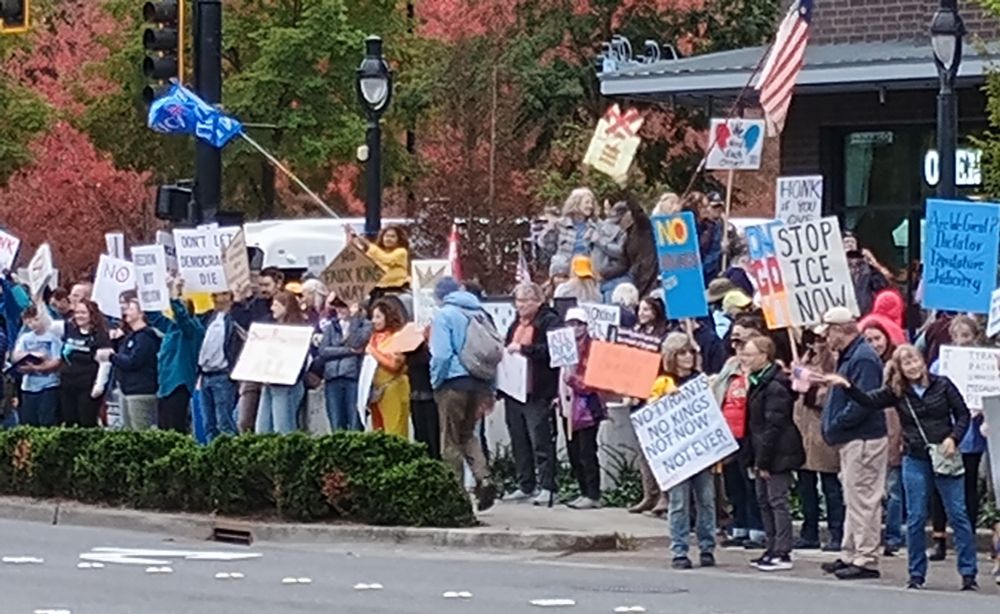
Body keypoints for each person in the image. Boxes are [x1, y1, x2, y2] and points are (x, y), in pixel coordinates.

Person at [826, 345, 978, 591]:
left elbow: (962, 415)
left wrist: (953, 438)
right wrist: (847, 386)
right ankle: (916, 574)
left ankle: (969, 573)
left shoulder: (943, 384)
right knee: (916, 516)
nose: (913, 367)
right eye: (907, 364)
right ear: (900, 369)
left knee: (958, 514)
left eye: (915, 361)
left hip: (944, 455)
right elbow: (868, 400)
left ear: (923, 361)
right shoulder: (897, 392)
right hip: (915, 456)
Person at [817, 306, 888, 580]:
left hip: (864, 438)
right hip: (854, 438)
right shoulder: (851, 356)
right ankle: (851, 551)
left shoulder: (863, 359)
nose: (826, 338)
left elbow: (864, 402)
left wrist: (836, 425)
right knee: (854, 496)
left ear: (839, 330)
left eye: (829, 332)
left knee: (864, 498)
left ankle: (866, 557)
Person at [428, 277, 498, 512]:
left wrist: (435, 382)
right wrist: (491, 389)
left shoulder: (444, 315)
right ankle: (484, 477)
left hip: (453, 383)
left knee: (449, 439)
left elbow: (441, 355)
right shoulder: (481, 313)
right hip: (478, 383)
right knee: (468, 434)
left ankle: (454, 498)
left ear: (440, 296)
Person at [740, 335, 804, 571]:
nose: (744, 359)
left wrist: (763, 460)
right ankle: (771, 545)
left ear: (764, 356)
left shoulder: (774, 385)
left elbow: (773, 425)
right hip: (761, 451)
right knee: (763, 501)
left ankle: (783, 550)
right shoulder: (758, 381)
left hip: (777, 452)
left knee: (777, 501)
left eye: (749, 354)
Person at [927, 314, 987, 562]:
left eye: (966, 336)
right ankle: (939, 538)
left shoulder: (985, 365)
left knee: (968, 487)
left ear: (975, 338)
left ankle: (967, 537)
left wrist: (982, 407)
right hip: (945, 432)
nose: (961, 341)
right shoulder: (940, 365)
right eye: (957, 336)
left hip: (972, 434)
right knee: (940, 485)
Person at [656, 332, 717, 570]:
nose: (688, 357)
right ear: (671, 356)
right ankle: (679, 550)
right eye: (682, 352)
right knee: (679, 502)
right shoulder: (661, 382)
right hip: (675, 454)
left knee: (706, 500)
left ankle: (707, 547)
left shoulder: (700, 379)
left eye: (690, 352)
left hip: (701, 451)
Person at [502, 283, 561, 507]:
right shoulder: (515, 324)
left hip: (538, 390)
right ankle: (525, 484)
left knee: (541, 440)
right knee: (519, 439)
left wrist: (525, 350)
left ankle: (548, 485)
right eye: (518, 301)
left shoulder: (550, 321)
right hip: (514, 391)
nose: (520, 305)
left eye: (526, 301)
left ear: (538, 301)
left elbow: (552, 351)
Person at [713, 318, 766, 549]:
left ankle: (757, 529)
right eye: (735, 342)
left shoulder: (760, 370)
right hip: (729, 433)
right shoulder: (730, 366)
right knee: (733, 482)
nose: (738, 347)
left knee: (750, 483)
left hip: (750, 434)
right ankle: (740, 525)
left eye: (742, 342)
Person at [793, 328, 846, 553]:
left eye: (820, 340)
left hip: (823, 433)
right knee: (806, 486)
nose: (817, 345)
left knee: (830, 485)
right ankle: (809, 531)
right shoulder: (803, 359)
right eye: (813, 340)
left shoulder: (834, 362)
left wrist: (812, 389)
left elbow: (831, 395)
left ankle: (837, 532)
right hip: (803, 432)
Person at [861, 320, 904, 556]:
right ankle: (872, 535)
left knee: (893, 489)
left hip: (894, 431)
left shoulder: (895, 367)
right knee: (872, 491)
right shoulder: (863, 364)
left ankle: (893, 536)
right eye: (868, 339)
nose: (874, 344)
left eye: (877, 338)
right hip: (871, 433)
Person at [626, 296, 670, 516]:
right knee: (642, 449)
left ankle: (664, 495)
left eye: (647, 309)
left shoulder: (664, 335)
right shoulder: (634, 333)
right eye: (640, 309)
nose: (642, 313)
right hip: (636, 394)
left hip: (656, 394)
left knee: (657, 448)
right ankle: (649, 493)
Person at [558, 308, 606, 509]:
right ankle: (583, 490)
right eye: (571, 324)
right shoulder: (562, 346)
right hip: (567, 405)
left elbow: (594, 381)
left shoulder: (594, 348)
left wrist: (574, 382)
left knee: (587, 451)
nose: (575, 328)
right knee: (574, 452)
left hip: (587, 407)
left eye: (579, 324)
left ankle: (593, 493)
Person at [147, 278, 204, 433]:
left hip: (180, 384)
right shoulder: (172, 328)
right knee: (164, 428)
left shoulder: (193, 330)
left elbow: (182, 317)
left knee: (176, 427)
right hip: (165, 384)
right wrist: (146, 291)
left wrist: (174, 296)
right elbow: (154, 317)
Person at [233, 266, 284, 433]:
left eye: (267, 285)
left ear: (278, 283)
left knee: (270, 423)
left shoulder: (287, 303)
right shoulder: (256, 304)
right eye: (261, 285)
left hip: (276, 370)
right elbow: (244, 322)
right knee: (244, 419)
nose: (263, 289)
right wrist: (238, 301)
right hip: (255, 368)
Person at [105, 292, 162, 431]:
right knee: (129, 430)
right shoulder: (131, 337)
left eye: (130, 308)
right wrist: (115, 343)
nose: (126, 312)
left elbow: (133, 361)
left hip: (140, 391)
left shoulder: (146, 337)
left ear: (141, 313)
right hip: (127, 389)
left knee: (140, 431)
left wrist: (112, 357)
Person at [255, 291, 308, 434]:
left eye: (276, 305)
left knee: (283, 428)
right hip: (269, 382)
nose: (272, 308)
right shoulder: (272, 328)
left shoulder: (298, 331)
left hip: (286, 385)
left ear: (286, 307)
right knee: (262, 428)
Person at [197, 289, 246, 441]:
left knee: (225, 423)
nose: (218, 297)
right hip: (205, 375)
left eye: (223, 293)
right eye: (216, 294)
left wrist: (238, 302)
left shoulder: (235, 318)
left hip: (223, 375)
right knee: (208, 424)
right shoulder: (207, 318)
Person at [317, 296, 371, 432]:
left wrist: (354, 320)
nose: (339, 310)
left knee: (354, 421)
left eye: (343, 306)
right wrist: (349, 351)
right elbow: (323, 351)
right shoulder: (331, 326)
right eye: (337, 306)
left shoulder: (366, 324)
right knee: (336, 421)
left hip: (353, 377)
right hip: (332, 377)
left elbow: (356, 342)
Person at [59, 299, 111, 427]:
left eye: (83, 312)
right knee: (69, 420)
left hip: (87, 385)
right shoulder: (69, 328)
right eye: (77, 312)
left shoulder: (100, 335)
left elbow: (105, 363)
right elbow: (46, 324)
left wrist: (99, 385)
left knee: (86, 421)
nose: (79, 316)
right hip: (67, 383)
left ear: (92, 315)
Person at [366, 298, 410, 438]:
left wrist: (374, 352)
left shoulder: (397, 337)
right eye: (373, 317)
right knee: (378, 431)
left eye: (378, 316)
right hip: (376, 391)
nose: (374, 320)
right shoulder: (374, 337)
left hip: (393, 389)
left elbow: (394, 365)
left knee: (395, 431)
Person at [12, 304, 63, 426]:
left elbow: (57, 361)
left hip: (49, 384)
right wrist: (31, 355)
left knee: (47, 419)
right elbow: (16, 356)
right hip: (28, 386)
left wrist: (37, 367)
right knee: (29, 420)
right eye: (29, 322)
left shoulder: (53, 338)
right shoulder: (25, 338)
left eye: (36, 320)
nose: (33, 324)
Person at [543, 187, 599, 264]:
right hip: (563, 270)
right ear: (576, 203)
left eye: (591, 203)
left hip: (587, 269)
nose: (590, 206)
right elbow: (547, 248)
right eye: (587, 202)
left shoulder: (595, 227)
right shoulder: (559, 225)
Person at [350, 225, 411, 296]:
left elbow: (387, 259)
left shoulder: (401, 252)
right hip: (377, 288)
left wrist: (368, 245)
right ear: (382, 238)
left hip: (394, 288)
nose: (389, 239)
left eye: (392, 236)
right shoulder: (378, 251)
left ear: (399, 239)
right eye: (386, 236)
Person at [842, 232, 891, 316]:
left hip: (864, 311)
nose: (850, 245)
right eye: (846, 243)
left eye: (852, 242)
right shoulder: (835, 266)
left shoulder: (866, 269)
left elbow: (883, 286)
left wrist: (873, 264)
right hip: (844, 311)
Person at [592, 201, 631, 301]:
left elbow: (622, 252)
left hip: (614, 277)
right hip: (596, 277)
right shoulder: (600, 226)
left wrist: (600, 242)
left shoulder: (626, 231)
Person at [622, 198, 658, 297]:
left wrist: (627, 194)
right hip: (636, 276)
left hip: (649, 274)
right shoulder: (627, 237)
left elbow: (639, 213)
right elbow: (624, 262)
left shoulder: (644, 228)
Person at [697, 191, 726, 283]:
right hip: (703, 271)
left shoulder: (724, 225)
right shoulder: (701, 226)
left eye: (720, 207)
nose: (718, 210)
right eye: (714, 207)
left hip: (718, 271)